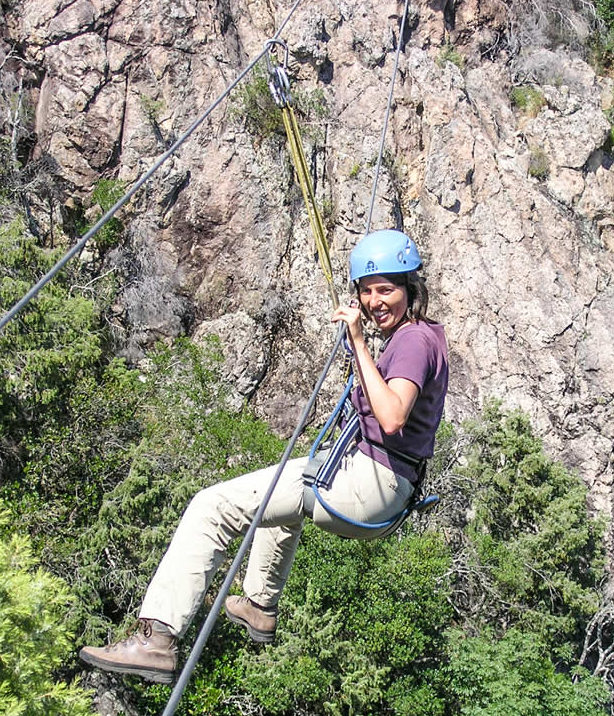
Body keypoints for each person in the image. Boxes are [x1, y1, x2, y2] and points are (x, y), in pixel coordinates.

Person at [79, 229, 449, 683]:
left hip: (370, 481)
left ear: (411, 288)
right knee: (281, 499)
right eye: (367, 291)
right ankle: (258, 605)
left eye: (387, 289)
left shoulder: (411, 341)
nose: (375, 301)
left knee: (211, 506)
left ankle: (156, 639)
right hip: (386, 486)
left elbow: (391, 416)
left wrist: (356, 342)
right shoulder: (425, 335)